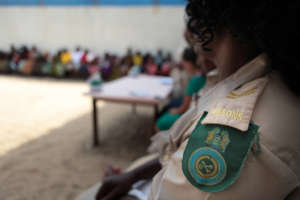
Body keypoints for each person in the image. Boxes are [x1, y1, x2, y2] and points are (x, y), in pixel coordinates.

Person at [79, 1, 300, 200]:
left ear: (209, 24)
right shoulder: (265, 84)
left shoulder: (237, 130)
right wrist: (134, 175)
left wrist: (129, 193)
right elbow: (175, 153)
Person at [156, 47, 206, 131]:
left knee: (160, 121)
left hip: (190, 113)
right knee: (169, 106)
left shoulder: (194, 80)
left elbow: (184, 108)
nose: (183, 64)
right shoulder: (201, 75)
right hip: (195, 109)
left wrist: (174, 111)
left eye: (184, 62)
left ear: (189, 63)